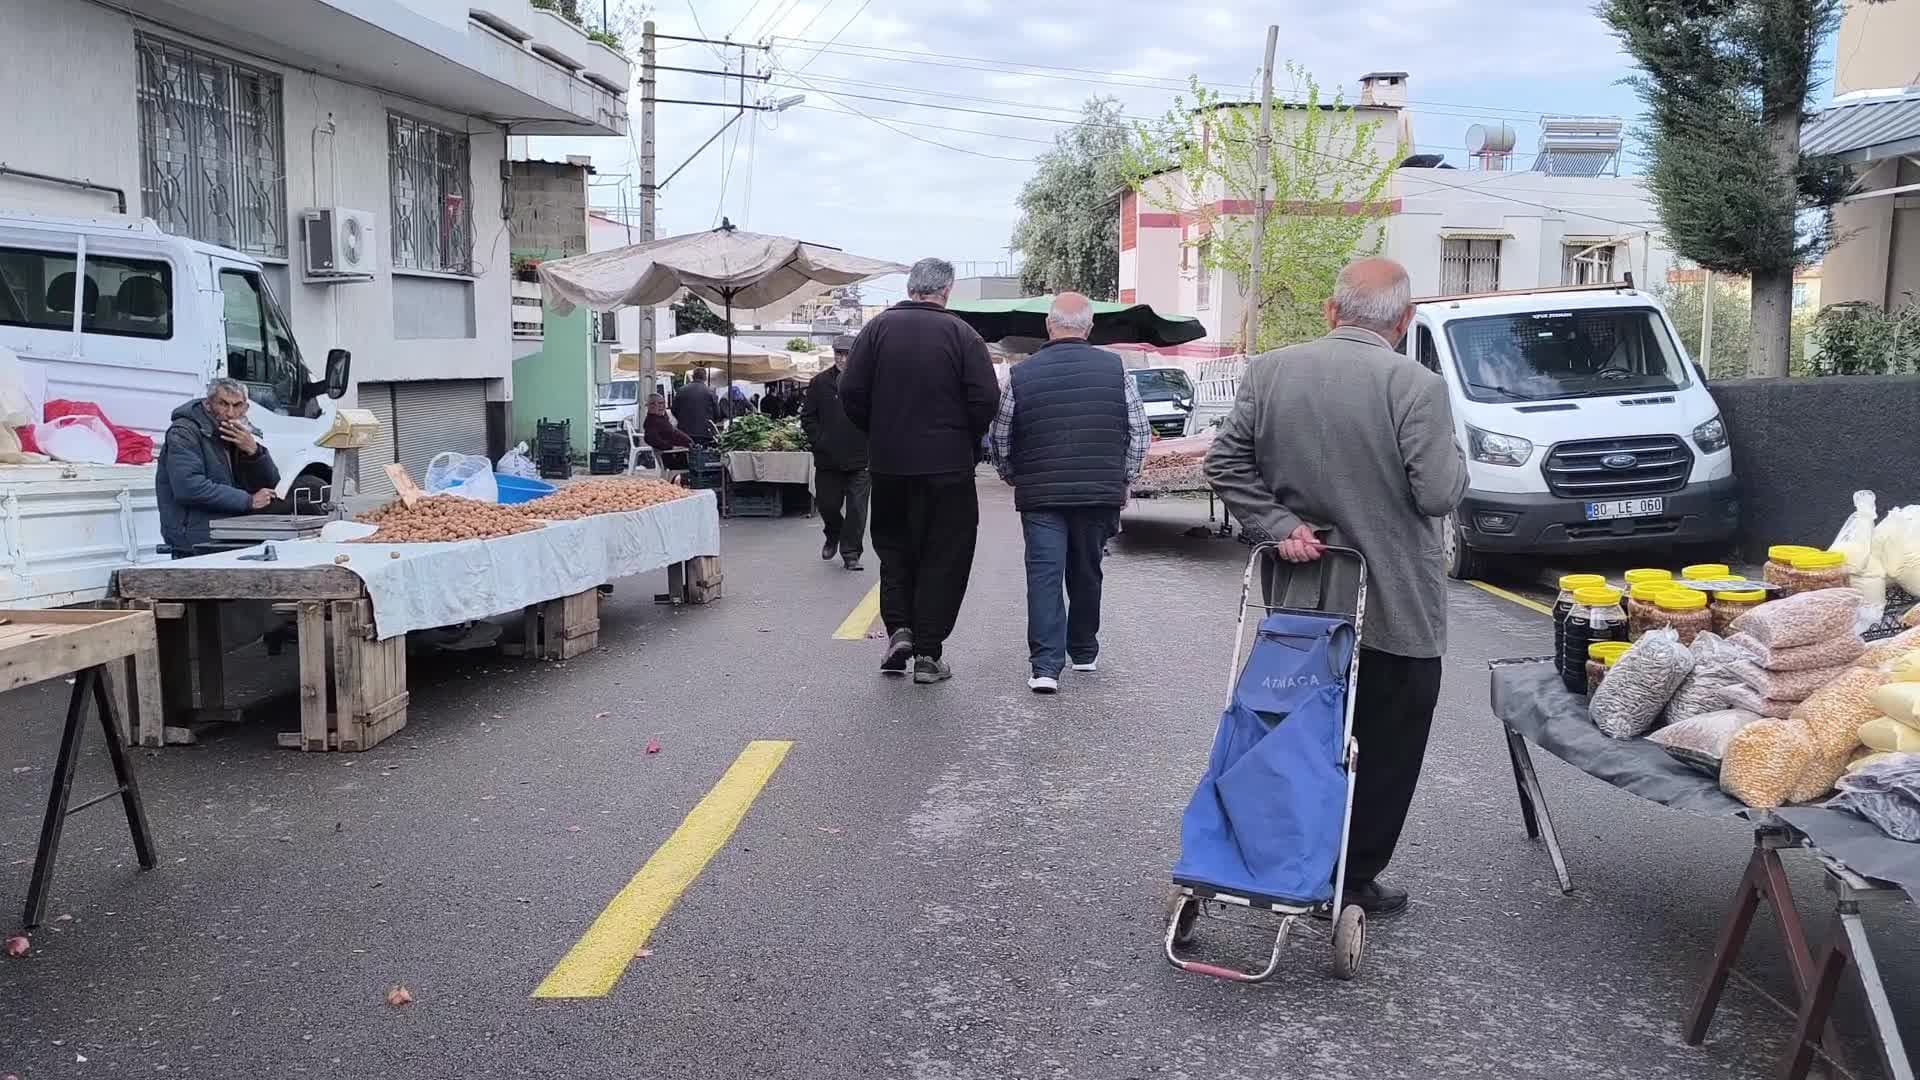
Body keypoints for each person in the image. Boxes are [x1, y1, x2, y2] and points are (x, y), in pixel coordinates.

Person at [1204, 257, 1468, 920]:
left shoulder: (1269, 373)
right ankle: (1352, 875)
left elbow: (1224, 463)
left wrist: (1276, 521)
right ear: (1405, 323)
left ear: (1331, 310)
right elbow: (1438, 491)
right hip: (1394, 606)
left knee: (1298, 734)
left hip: (1300, 602)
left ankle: (1280, 858)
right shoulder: (1416, 386)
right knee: (1390, 740)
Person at [841, 257, 1000, 684]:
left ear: (910, 287)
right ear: (947, 291)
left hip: (890, 464)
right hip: (948, 467)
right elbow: (986, 398)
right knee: (944, 555)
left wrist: (880, 431)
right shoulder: (963, 335)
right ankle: (929, 653)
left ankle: (901, 630)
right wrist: (962, 436)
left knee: (894, 550)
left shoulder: (875, 331)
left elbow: (850, 392)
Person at [991, 293, 1148, 695]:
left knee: (1044, 575)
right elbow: (1140, 432)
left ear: (1048, 326)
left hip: (1041, 494)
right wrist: (1124, 477)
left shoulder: (1022, 374)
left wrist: (1011, 474)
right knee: (1086, 569)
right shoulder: (1115, 369)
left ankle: (1045, 667)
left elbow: (1001, 435)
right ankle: (1083, 650)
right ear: (1089, 327)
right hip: (1098, 491)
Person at [155, 377, 280, 557]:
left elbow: (269, 485)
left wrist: (254, 452)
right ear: (208, 404)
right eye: (223, 404)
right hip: (194, 537)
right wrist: (247, 500)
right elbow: (188, 487)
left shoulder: (238, 433)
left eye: (237, 406)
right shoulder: (184, 432)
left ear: (245, 408)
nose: (230, 413)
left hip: (228, 530)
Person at [801, 334, 870, 571]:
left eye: (847, 354)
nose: (842, 358)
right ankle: (833, 533)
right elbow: (808, 417)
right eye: (839, 354)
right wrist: (820, 441)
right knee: (827, 505)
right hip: (828, 459)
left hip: (861, 458)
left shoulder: (867, 382)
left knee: (857, 510)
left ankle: (851, 553)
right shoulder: (819, 382)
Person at [671, 369, 720, 446]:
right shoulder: (710, 392)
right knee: (702, 455)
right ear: (705, 378)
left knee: (686, 455)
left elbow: (674, 409)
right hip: (704, 432)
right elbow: (717, 413)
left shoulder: (681, 390)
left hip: (684, 431)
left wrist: (682, 419)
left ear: (693, 377)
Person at [641, 393, 692, 466]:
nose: (658, 406)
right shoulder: (651, 422)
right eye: (653, 404)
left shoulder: (660, 418)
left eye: (661, 403)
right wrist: (672, 447)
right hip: (674, 456)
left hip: (683, 453)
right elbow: (650, 439)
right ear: (648, 406)